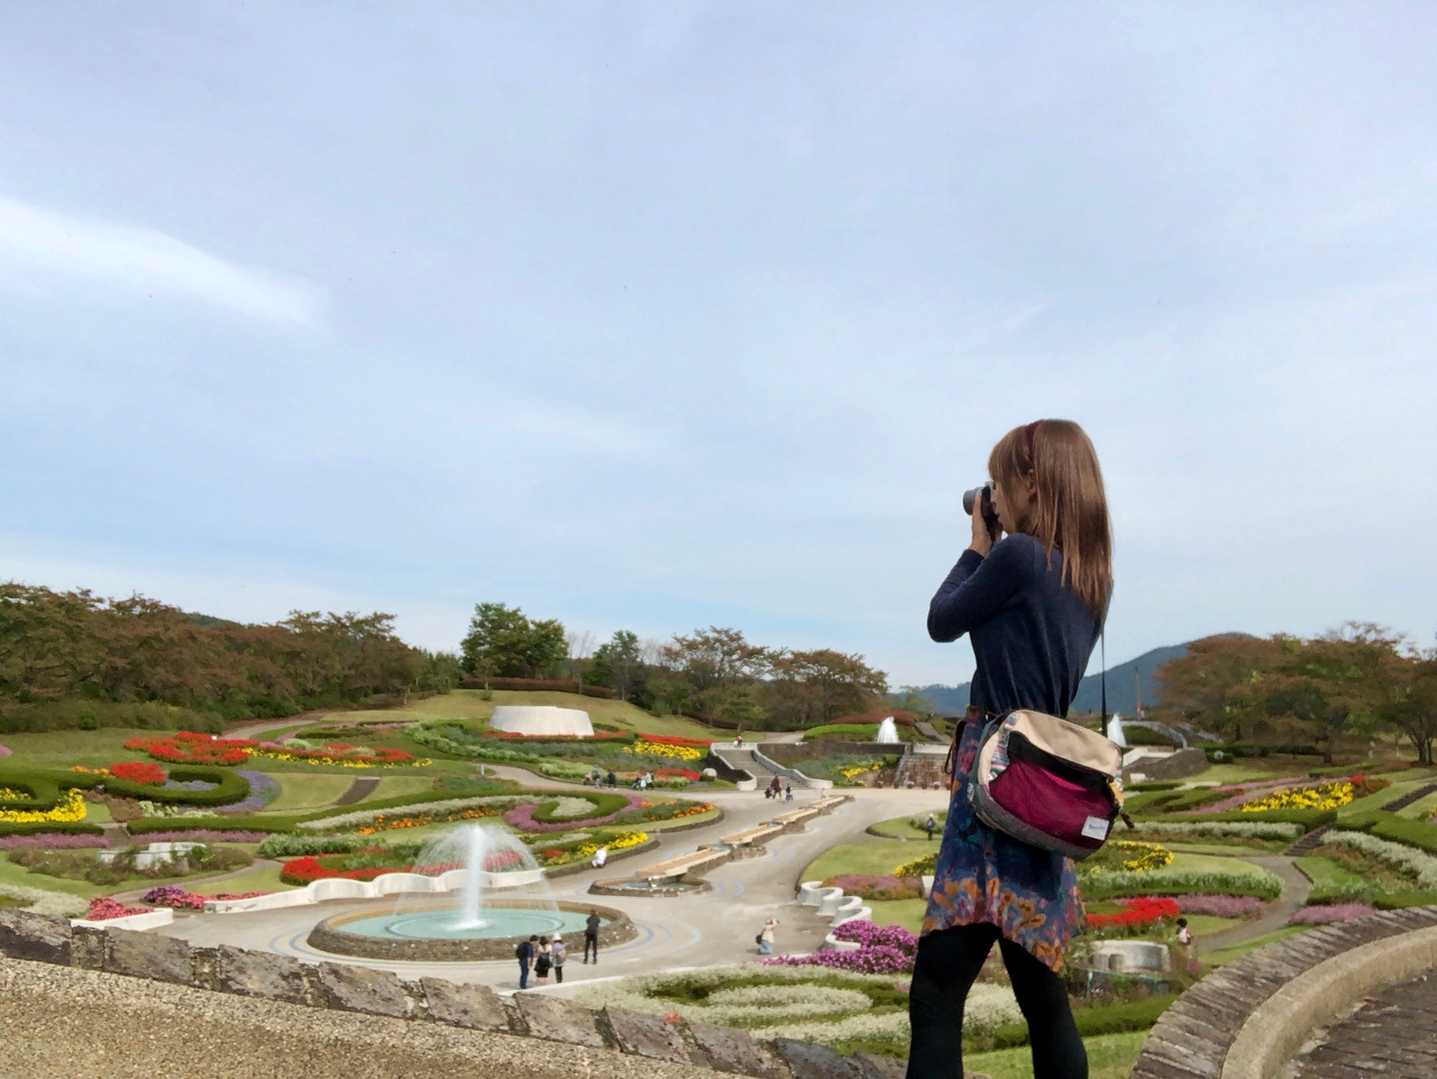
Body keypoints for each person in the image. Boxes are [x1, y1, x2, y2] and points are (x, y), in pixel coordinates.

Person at [907, 419, 1113, 1079]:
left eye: (997, 482)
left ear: (1031, 483)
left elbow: (941, 620)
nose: (991, 495)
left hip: (993, 779)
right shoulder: (1089, 576)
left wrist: (976, 545)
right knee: (1042, 997)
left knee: (936, 989)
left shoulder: (1018, 556)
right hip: (1040, 782)